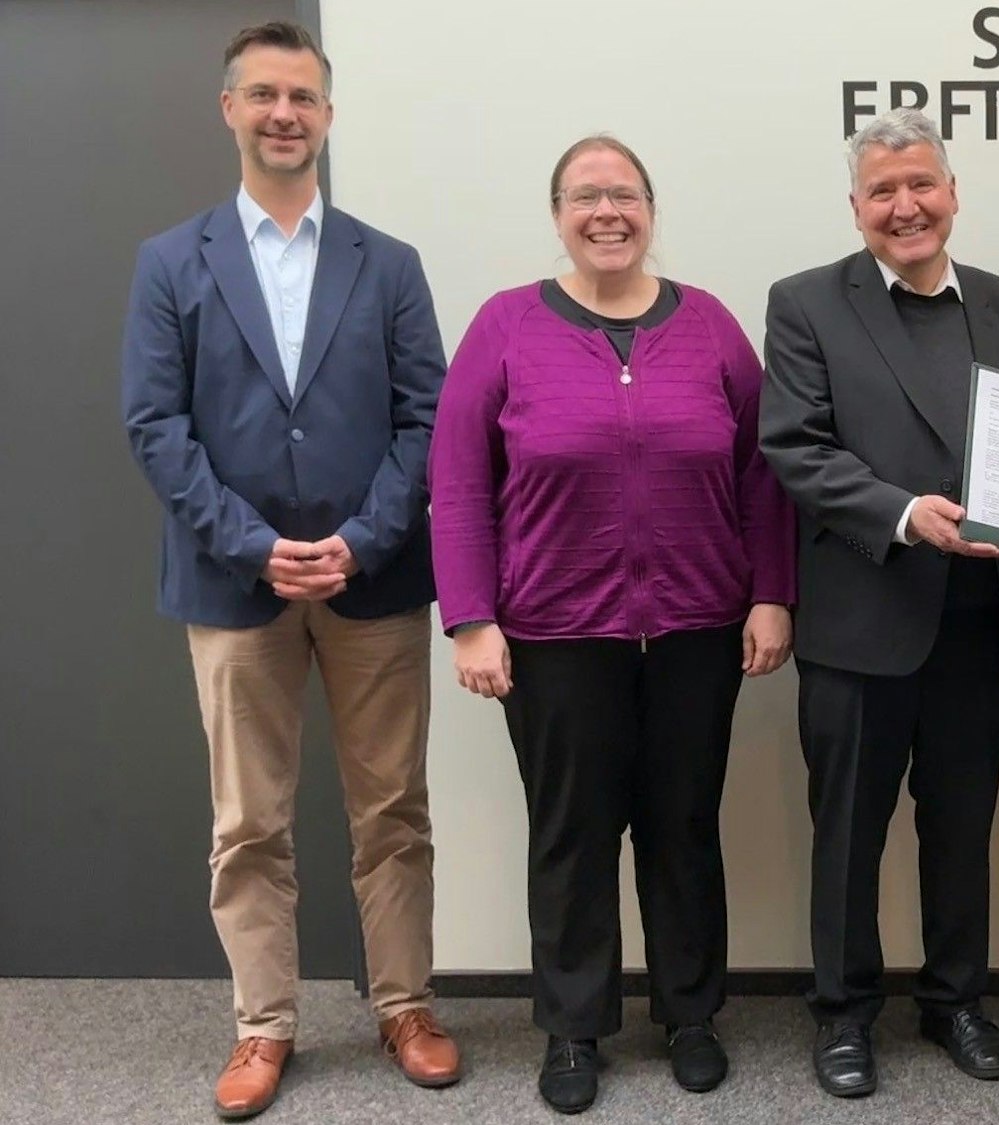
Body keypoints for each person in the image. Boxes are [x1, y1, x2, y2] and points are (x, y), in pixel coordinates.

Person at [118, 20, 458, 1120]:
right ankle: (263, 1024)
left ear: (327, 115)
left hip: (374, 580)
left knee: (393, 811)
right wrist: (253, 544)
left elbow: (429, 418)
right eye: (264, 94)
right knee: (248, 823)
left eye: (302, 96)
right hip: (233, 585)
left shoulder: (387, 263)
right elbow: (155, 424)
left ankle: (406, 1005)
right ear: (230, 108)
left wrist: (363, 537)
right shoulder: (171, 262)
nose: (283, 113)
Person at [429, 135, 796, 1113]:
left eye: (624, 195)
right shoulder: (506, 325)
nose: (607, 213)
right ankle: (573, 1027)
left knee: (683, 826)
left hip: (696, 631)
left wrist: (771, 592)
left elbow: (762, 474)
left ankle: (690, 1014)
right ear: (557, 215)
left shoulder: (709, 325)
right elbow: (457, 481)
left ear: (650, 210)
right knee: (572, 834)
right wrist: (470, 617)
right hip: (554, 636)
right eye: (585, 196)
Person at [759, 108, 999, 1099]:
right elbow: (795, 447)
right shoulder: (805, 304)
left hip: (978, 620)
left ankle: (955, 999)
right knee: (848, 835)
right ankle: (843, 1013)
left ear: (953, 192)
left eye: (921, 183)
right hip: (860, 618)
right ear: (855, 207)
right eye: (882, 191)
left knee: (961, 829)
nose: (905, 205)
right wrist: (902, 513)